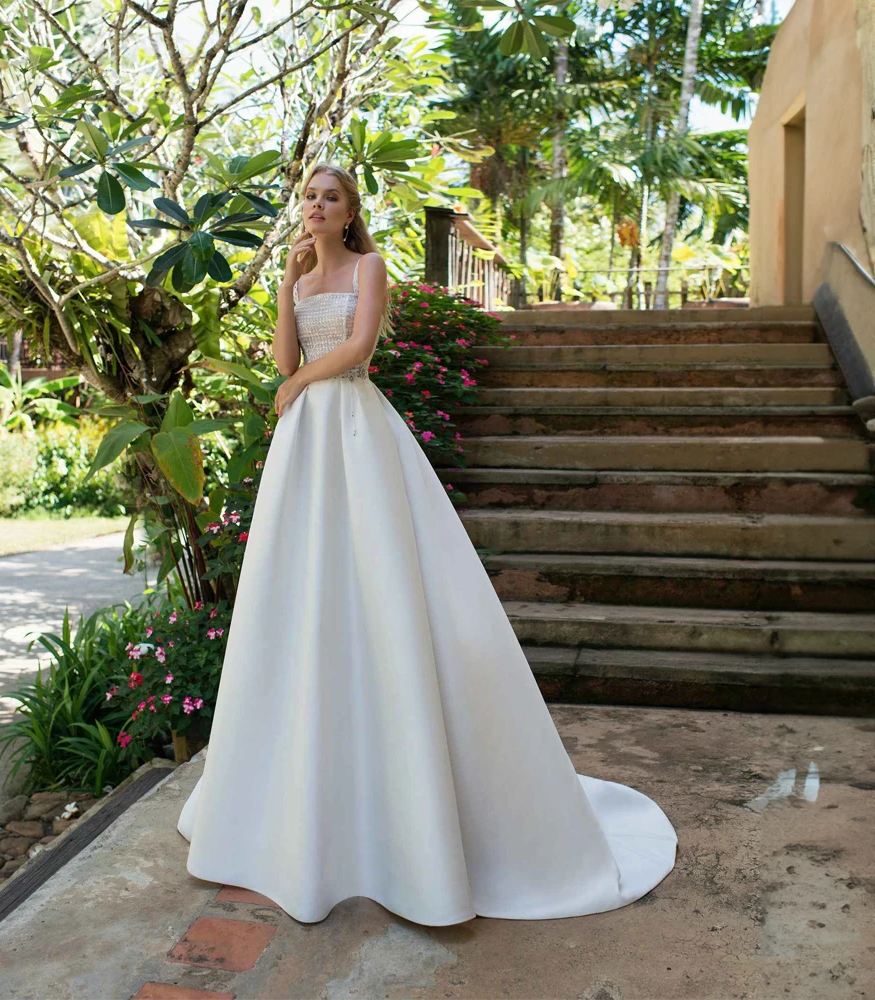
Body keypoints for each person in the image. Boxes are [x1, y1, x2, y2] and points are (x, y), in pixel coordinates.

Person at [177, 162, 677, 926]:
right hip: (305, 443)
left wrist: (298, 385)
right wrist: (286, 285)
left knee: (382, 582)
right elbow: (284, 360)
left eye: (330, 198)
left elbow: (360, 350)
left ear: (350, 213)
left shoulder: (371, 266)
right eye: (308, 197)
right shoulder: (304, 276)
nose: (315, 207)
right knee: (302, 590)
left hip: (351, 425)